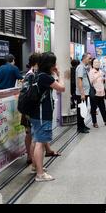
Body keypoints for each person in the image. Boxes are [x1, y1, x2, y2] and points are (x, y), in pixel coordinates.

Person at [30, 52, 65, 182]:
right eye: (54, 62)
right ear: (50, 64)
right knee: (40, 143)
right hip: (42, 114)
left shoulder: (36, 74)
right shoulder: (46, 77)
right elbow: (61, 88)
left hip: (34, 113)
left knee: (35, 140)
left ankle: (35, 166)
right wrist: (59, 75)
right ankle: (40, 174)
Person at [21, 53, 60, 166]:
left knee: (37, 136)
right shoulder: (33, 75)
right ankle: (33, 162)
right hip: (34, 110)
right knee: (33, 136)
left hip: (35, 110)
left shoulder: (37, 74)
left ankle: (37, 161)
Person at [89, 58, 106, 128]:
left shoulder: (101, 71)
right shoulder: (91, 72)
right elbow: (91, 82)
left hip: (101, 92)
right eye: (95, 63)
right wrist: (98, 76)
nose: (97, 64)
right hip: (95, 93)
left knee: (103, 108)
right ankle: (94, 122)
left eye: (98, 62)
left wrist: (105, 78)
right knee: (93, 109)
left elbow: (102, 81)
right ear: (92, 64)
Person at [76, 53, 92, 133]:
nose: (90, 60)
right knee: (80, 111)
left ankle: (82, 125)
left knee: (83, 110)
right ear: (84, 58)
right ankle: (80, 127)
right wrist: (82, 93)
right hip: (81, 94)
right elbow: (79, 81)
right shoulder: (80, 67)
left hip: (84, 92)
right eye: (89, 58)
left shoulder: (84, 67)